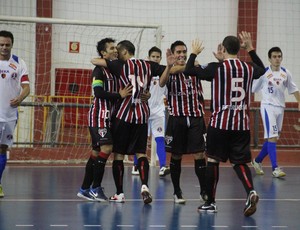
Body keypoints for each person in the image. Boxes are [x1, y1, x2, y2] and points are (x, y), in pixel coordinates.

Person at [184, 31, 265, 216]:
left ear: (224, 48)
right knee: (240, 162)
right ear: (239, 49)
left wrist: (194, 53)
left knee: (212, 160)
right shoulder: (248, 67)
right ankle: (251, 191)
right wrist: (251, 49)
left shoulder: (216, 68)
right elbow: (262, 69)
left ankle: (211, 203)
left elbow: (189, 71)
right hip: (241, 124)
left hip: (220, 123)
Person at [91, 40, 169, 204]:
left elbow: (95, 61)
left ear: (124, 52)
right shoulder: (148, 65)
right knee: (141, 153)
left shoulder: (120, 65)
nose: (116, 54)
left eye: (118, 51)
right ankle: (145, 186)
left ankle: (119, 193)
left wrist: (107, 58)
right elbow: (168, 73)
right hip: (142, 115)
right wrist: (169, 66)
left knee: (118, 155)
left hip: (124, 115)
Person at [77, 38, 132, 201]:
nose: (115, 50)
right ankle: (95, 187)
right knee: (107, 148)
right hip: (99, 116)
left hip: (110, 117)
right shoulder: (98, 70)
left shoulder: (116, 70)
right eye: (112, 48)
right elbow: (99, 93)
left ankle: (84, 188)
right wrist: (118, 95)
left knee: (96, 153)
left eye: (116, 48)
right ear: (103, 53)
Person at [159, 40, 207, 204]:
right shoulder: (169, 70)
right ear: (172, 54)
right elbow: (161, 82)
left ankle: (204, 191)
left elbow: (207, 71)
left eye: (184, 52)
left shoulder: (194, 66)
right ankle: (177, 191)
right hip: (177, 118)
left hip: (195, 117)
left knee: (200, 154)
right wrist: (168, 66)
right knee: (176, 154)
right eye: (178, 52)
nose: (181, 55)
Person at [251, 47, 300, 178]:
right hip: (268, 107)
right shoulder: (264, 73)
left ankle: (257, 161)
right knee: (272, 137)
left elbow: (293, 89)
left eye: (279, 56)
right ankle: (275, 168)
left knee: (273, 139)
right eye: (274, 56)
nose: (277, 59)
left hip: (280, 108)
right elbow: (253, 88)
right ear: (269, 59)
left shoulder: (285, 73)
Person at [0, 30, 30, 198]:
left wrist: (20, 97)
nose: (4, 47)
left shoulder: (19, 63)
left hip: (10, 115)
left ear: (12, 44)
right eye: (1, 44)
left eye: (7, 45)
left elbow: (26, 86)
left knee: (2, 149)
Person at [132, 46, 170, 178]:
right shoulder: (143, 73)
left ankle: (163, 166)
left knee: (160, 139)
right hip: (143, 111)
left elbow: (167, 92)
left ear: (160, 58)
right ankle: (136, 166)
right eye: (153, 57)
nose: (155, 59)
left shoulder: (164, 74)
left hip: (158, 112)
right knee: (140, 140)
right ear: (148, 58)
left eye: (158, 57)